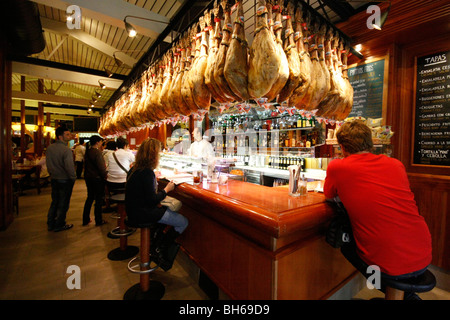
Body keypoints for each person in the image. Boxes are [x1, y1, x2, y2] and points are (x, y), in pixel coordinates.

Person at [323, 120, 432, 300]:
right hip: (423, 252)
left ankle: (400, 293)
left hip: (391, 262)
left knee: (344, 241)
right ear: (370, 143)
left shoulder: (338, 166)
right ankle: (406, 295)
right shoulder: (396, 164)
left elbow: (329, 195)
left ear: (342, 147)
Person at [126, 138, 188, 271]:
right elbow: (152, 200)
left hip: (133, 211)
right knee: (183, 222)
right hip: (143, 213)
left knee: (165, 212)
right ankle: (160, 248)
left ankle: (154, 245)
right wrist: (167, 189)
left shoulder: (134, 169)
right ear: (153, 155)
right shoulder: (147, 172)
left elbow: (145, 196)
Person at [45, 126, 76, 232]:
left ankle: (50, 223)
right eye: (67, 134)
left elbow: (48, 164)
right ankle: (59, 224)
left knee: (55, 201)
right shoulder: (66, 150)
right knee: (63, 203)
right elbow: (69, 167)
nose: (70, 136)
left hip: (54, 178)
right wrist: (73, 178)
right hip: (64, 179)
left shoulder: (49, 148)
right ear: (60, 136)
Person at [82, 135, 108, 226]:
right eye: (101, 142)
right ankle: (98, 220)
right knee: (98, 200)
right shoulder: (97, 152)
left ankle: (85, 219)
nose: (101, 143)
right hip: (97, 179)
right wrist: (105, 176)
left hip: (88, 178)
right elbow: (101, 167)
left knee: (90, 198)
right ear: (97, 142)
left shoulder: (88, 151)